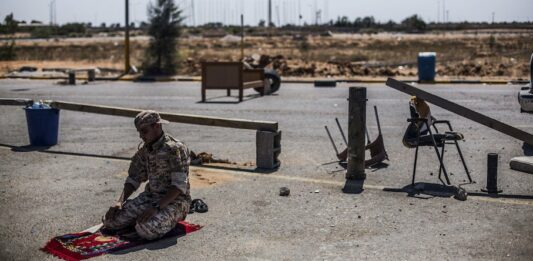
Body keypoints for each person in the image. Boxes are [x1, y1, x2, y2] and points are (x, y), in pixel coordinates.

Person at [102, 110, 191, 240]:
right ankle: (140, 219)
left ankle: (165, 219)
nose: (141, 136)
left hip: (175, 201)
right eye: (139, 132)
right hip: (151, 197)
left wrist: (156, 207)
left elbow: (178, 187)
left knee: (146, 230)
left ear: (157, 126)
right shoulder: (146, 149)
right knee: (109, 221)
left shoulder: (174, 149)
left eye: (144, 131)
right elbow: (133, 178)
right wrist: (120, 201)